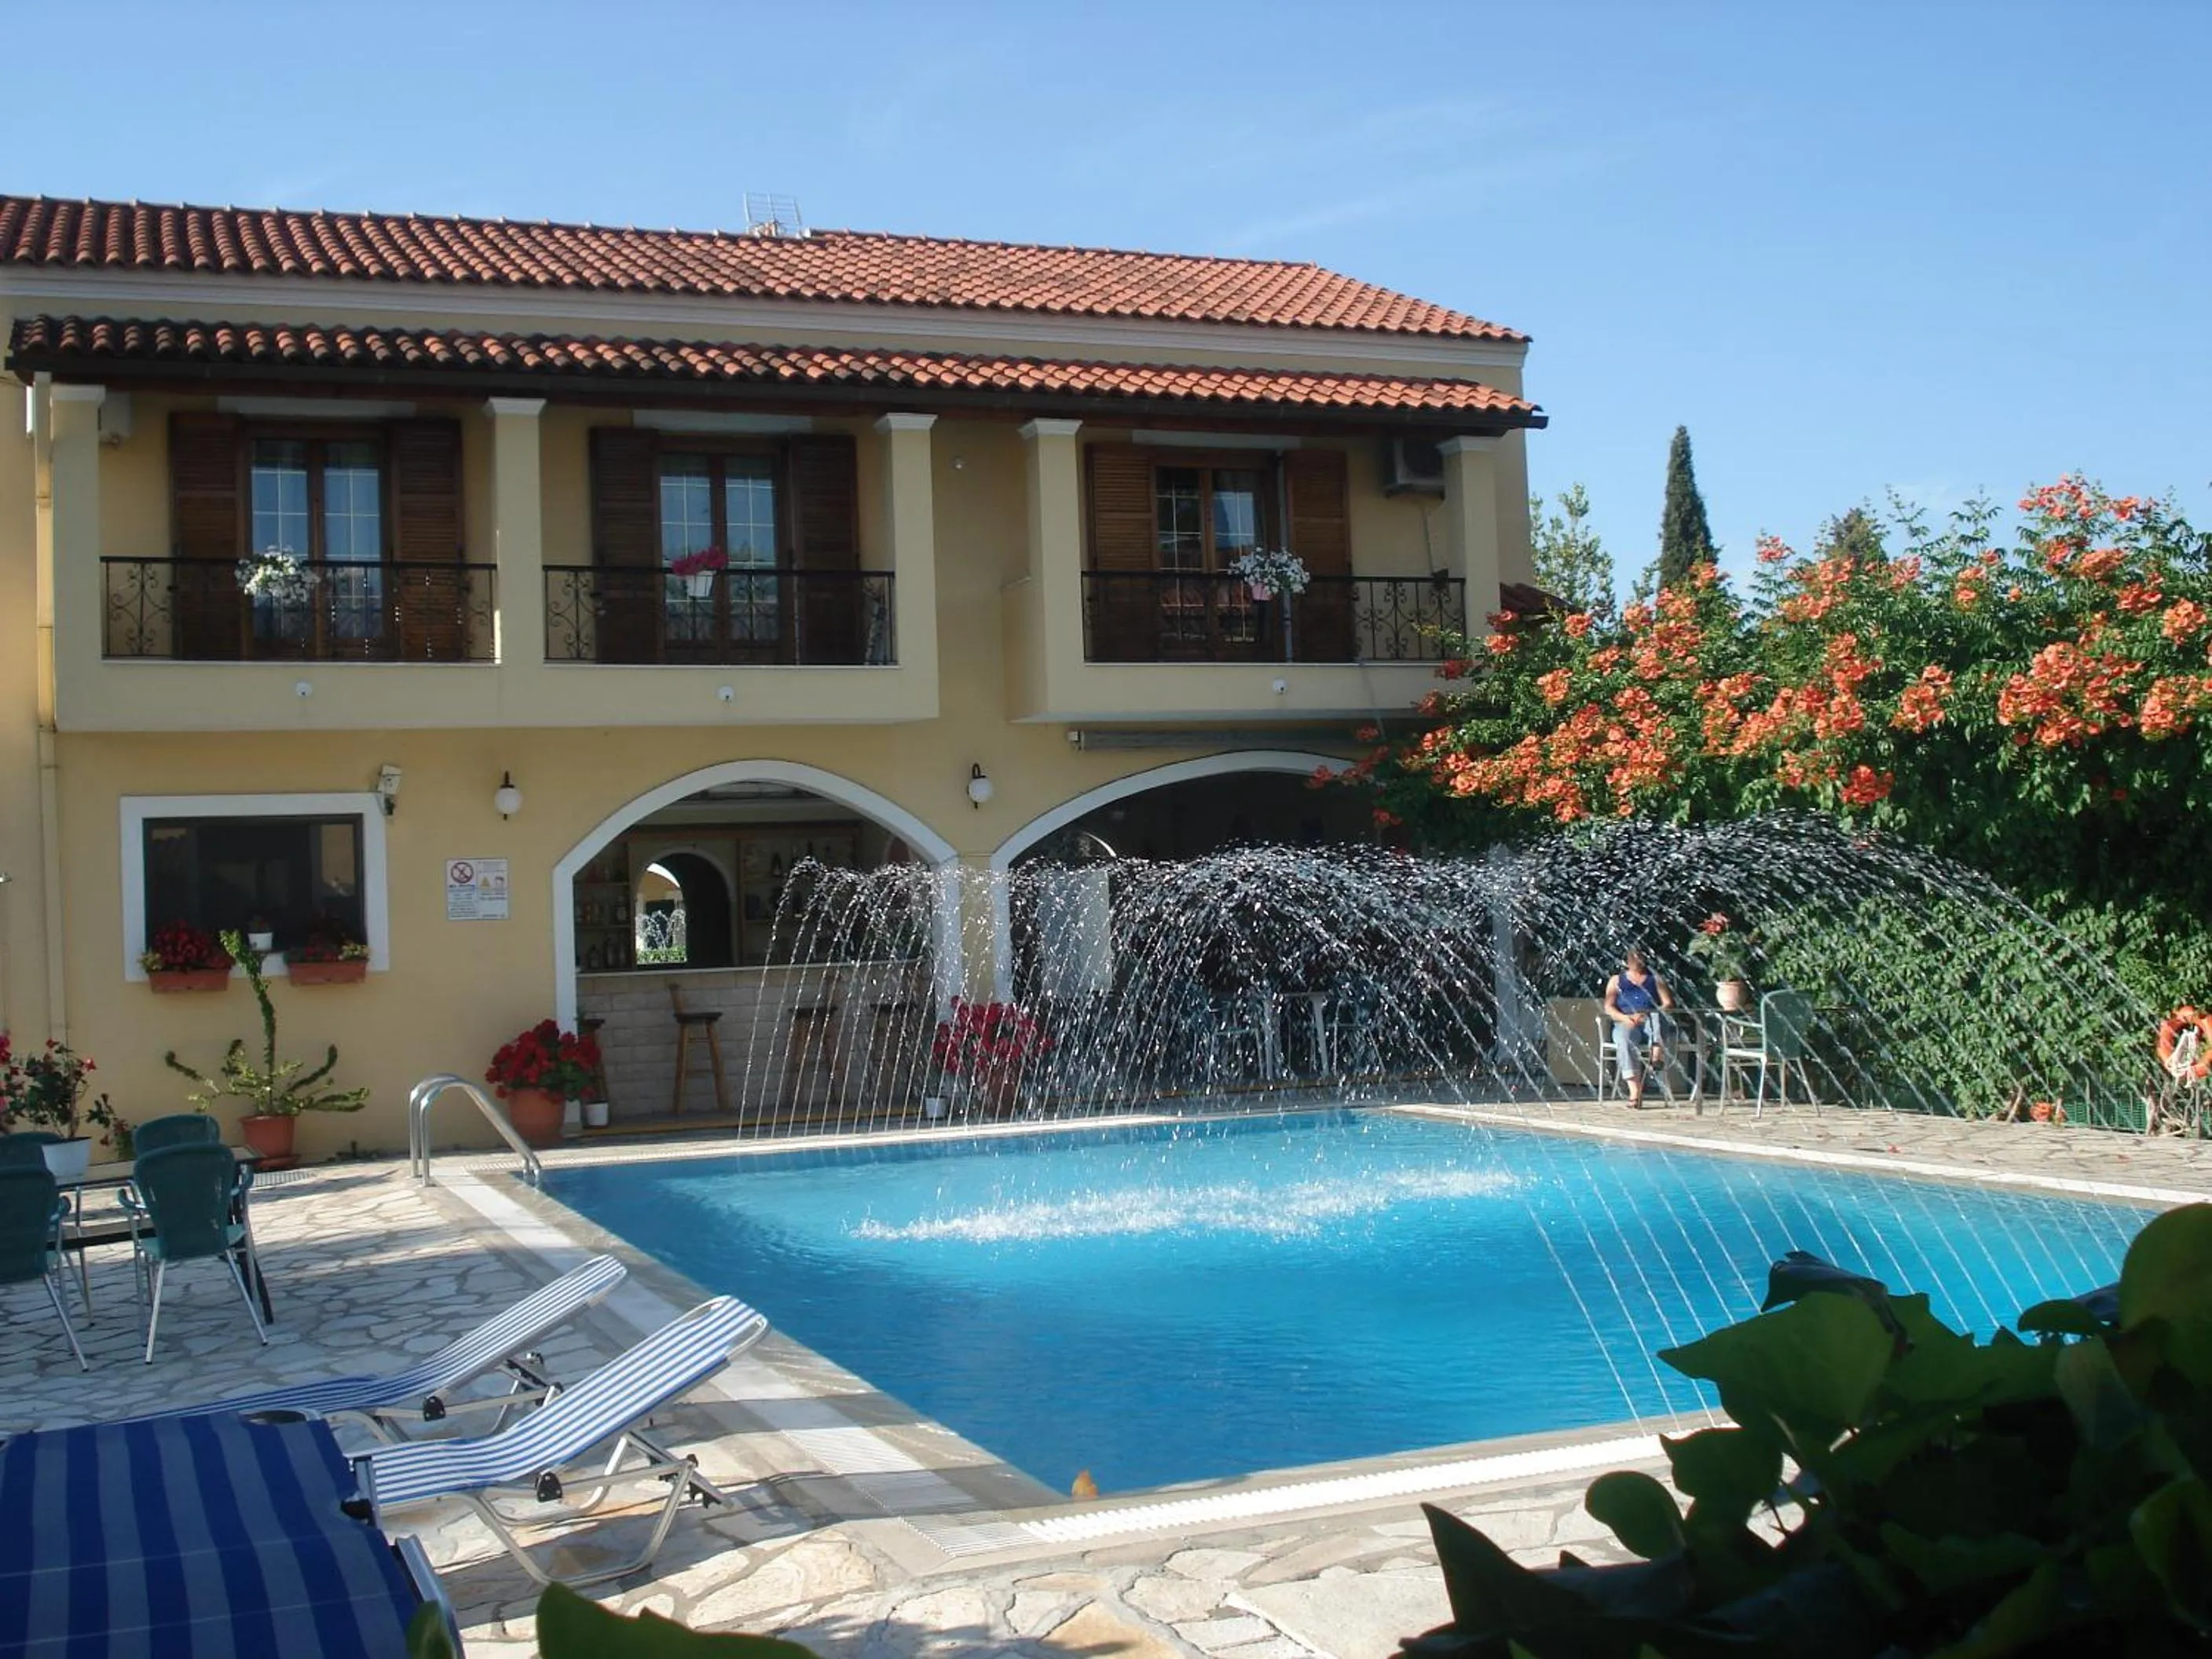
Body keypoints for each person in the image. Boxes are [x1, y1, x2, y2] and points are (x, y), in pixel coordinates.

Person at [1604, 947, 1674, 1108]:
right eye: (1633, 960)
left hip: (1650, 1020)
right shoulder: (1616, 980)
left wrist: (1648, 1013)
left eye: (1639, 959)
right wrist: (1625, 1017)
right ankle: (1635, 1091)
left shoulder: (1654, 979)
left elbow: (1668, 1003)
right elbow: (1608, 1006)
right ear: (1627, 962)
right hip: (1626, 1022)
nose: (1637, 962)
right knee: (1624, 1038)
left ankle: (1656, 1057)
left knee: (1657, 1017)